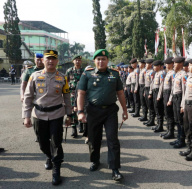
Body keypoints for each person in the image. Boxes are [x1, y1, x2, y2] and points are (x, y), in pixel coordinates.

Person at [77, 49, 128, 181]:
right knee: (94, 139)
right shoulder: (87, 75)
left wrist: (125, 110)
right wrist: (80, 112)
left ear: (107, 61)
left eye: (103, 59)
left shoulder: (115, 74)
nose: (101, 61)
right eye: (98, 59)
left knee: (113, 140)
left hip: (110, 111)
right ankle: (95, 160)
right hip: (93, 111)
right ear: (94, 61)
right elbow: (81, 94)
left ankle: (115, 168)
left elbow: (120, 93)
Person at [22, 50, 71, 185]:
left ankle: (56, 169)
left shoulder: (62, 77)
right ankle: (49, 156)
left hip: (56, 114)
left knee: (56, 142)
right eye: (48, 59)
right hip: (38, 114)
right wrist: (26, 116)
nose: (50, 61)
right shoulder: (34, 76)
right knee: (42, 142)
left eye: (53, 59)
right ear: (43, 60)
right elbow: (28, 97)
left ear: (57, 61)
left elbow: (67, 97)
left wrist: (69, 115)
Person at [20, 53, 45, 142]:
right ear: (34, 60)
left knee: (44, 116)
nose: (39, 61)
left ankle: (45, 134)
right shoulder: (29, 71)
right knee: (35, 118)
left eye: (40, 59)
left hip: (43, 97)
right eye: (37, 59)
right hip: (31, 96)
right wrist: (22, 95)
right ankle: (38, 134)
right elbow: (23, 84)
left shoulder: (48, 69)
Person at [168, 57, 188, 148]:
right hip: (175, 98)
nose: (174, 65)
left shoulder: (184, 75)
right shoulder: (176, 74)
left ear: (180, 64)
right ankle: (178, 138)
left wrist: (182, 105)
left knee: (180, 120)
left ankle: (182, 140)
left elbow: (184, 91)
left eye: (175, 63)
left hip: (180, 98)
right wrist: (170, 99)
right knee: (177, 119)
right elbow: (173, 89)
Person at [65, 55, 85, 138]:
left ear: (81, 61)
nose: (77, 61)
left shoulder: (84, 71)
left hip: (82, 93)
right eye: (76, 60)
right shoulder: (69, 71)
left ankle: (81, 124)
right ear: (73, 61)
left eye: (79, 60)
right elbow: (66, 82)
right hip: (72, 93)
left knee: (82, 108)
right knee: (72, 110)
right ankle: (74, 129)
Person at [149, 60, 166, 132]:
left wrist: (159, 95)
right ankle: (158, 124)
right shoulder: (156, 73)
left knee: (159, 109)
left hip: (159, 92)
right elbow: (152, 83)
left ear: (159, 66)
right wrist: (150, 92)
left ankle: (160, 126)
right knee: (156, 109)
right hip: (154, 92)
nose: (153, 67)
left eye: (155, 66)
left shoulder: (162, 73)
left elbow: (161, 85)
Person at [161, 57, 175, 139]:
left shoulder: (173, 73)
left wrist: (170, 98)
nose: (166, 65)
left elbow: (173, 87)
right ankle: (168, 130)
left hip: (169, 93)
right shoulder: (168, 72)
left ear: (171, 64)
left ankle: (171, 132)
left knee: (169, 113)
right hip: (165, 93)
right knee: (166, 112)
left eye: (167, 63)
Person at [143, 59, 156, 126]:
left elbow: (152, 83)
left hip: (150, 89)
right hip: (146, 89)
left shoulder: (152, 72)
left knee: (151, 106)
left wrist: (150, 92)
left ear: (151, 64)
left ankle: (152, 120)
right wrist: (145, 91)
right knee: (148, 105)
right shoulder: (147, 72)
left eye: (147, 64)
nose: (146, 65)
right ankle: (149, 119)